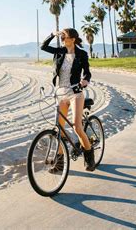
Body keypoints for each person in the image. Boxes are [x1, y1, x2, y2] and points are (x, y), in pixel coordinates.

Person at [40, 28, 96, 172]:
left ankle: (90, 158)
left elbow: (87, 72)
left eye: (65, 37)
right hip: (61, 93)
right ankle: (59, 164)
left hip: (75, 93)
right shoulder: (60, 52)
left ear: (73, 39)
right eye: (62, 37)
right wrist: (53, 34)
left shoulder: (82, 54)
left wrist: (85, 81)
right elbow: (43, 47)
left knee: (77, 127)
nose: (63, 39)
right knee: (59, 128)